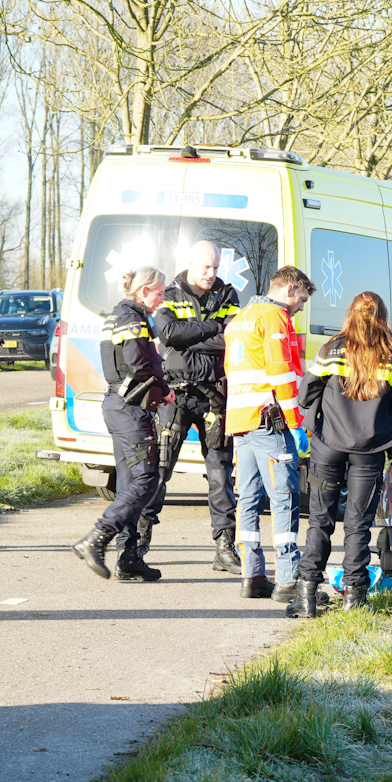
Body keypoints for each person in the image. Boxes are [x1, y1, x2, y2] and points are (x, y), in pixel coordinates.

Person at [289, 291, 392, 617]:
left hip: (328, 446)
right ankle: (354, 599)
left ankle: (306, 598)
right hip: (370, 452)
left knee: (319, 522)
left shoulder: (332, 349)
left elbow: (306, 394)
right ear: (383, 317)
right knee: (358, 525)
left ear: (349, 315)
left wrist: (319, 419)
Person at [144, 240, 242, 574]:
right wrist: (214, 328)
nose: (211, 274)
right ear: (190, 264)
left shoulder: (228, 296)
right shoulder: (170, 295)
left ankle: (224, 548)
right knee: (159, 471)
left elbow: (233, 338)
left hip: (216, 395)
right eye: (205, 267)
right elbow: (168, 333)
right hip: (176, 393)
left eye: (216, 267)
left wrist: (194, 336)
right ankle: (138, 543)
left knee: (220, 475)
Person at [223, 265, 315, 600]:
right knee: (284, 497)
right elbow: (281, 376)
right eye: (302, 299)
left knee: (247, 499)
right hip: (269, 421)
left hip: (241, 421)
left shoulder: (242, 316)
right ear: (290, 289)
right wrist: (296, 423)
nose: (301, 308)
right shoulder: (274, 318)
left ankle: (252, 575)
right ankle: (289, 580)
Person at [72, 267, 169, 582]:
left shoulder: (120, 316)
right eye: (159, 292)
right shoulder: (133, 320)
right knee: (146, 480)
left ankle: (128, 559)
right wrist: (165, 391)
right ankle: (96, 538)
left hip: (119, 405)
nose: (162, 298)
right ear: (143, 291)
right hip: (131, 409)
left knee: (131, 486)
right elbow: (140, 366)